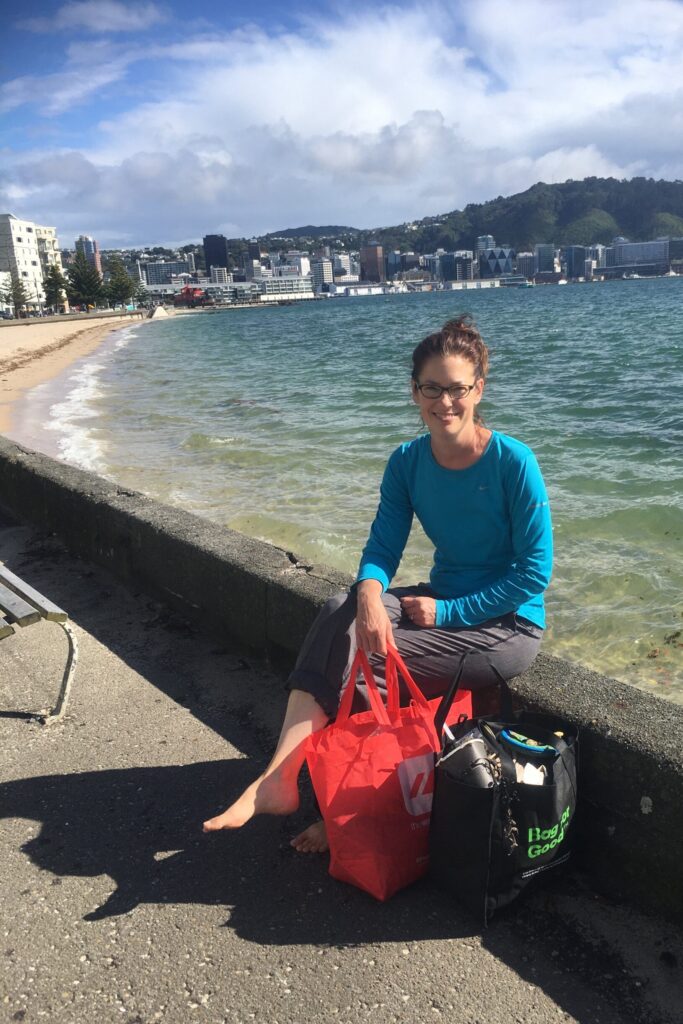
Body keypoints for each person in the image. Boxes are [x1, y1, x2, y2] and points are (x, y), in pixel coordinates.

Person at [203, 315, 553, 852]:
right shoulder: (408, 462)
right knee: (341, 607)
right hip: (446, 599)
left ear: (479, 389)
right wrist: (369, 591)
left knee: (369, 670)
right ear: (414, 392)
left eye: (458, 388)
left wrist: (449, 614)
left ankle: (350, 814)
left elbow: (533, 573)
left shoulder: (513, 462)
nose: (445, 402)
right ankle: (282, 779)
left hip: (506, 624)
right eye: (432, 388)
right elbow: (383, 547)